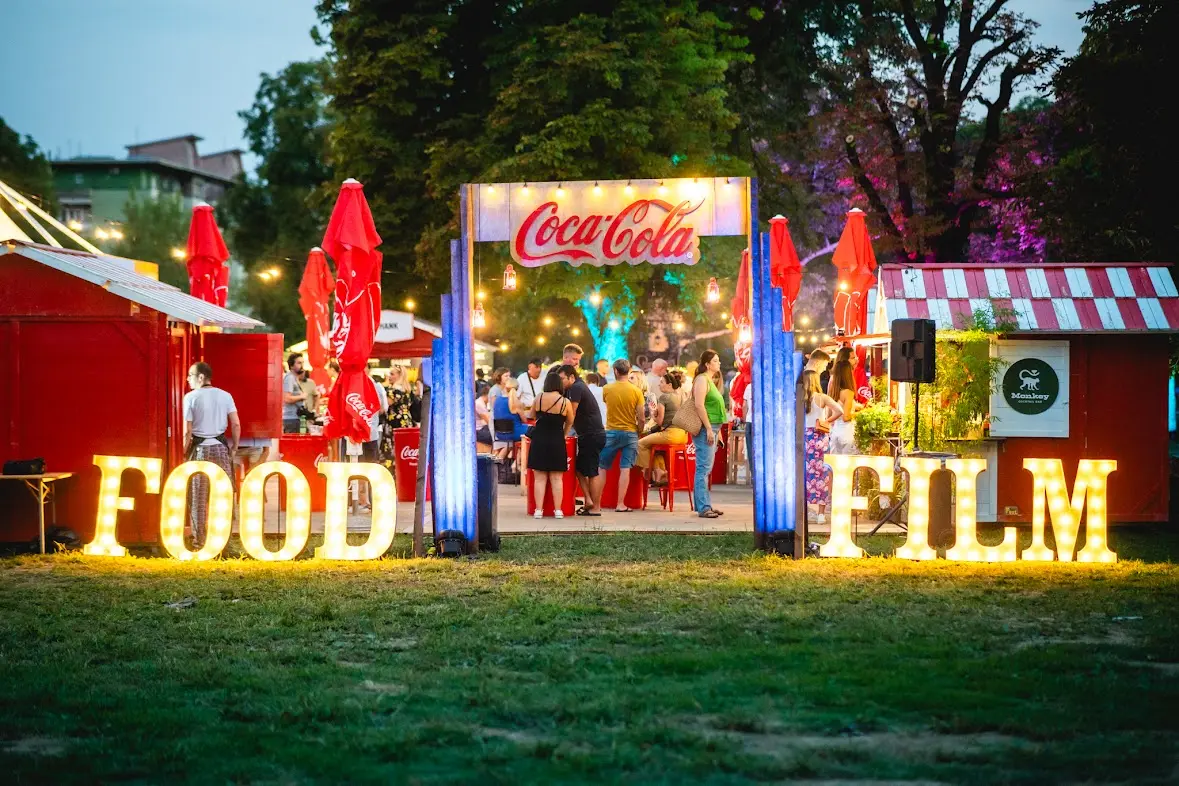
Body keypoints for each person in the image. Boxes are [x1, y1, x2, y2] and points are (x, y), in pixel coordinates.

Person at [183, 362, 240, 548]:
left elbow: (187, 431)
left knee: (198, 498)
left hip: (199, 450)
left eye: (190, 375)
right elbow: (236, 424)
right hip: (221, 449)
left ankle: (199, 541)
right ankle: (222, 541)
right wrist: (234, 448)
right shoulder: (225, 395)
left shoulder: (190, 397)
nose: (188, 379)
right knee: (223, 495)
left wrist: (184, 452)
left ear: (200, 377)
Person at [559, 364, 606, 516]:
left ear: (571, 377)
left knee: (592, 472)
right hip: (589, 434)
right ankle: (589, 500)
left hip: (592, 434)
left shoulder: (576, 387)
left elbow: (571, 413)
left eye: (562, 379)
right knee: (579, 469)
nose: (561, 382)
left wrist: (563, 433)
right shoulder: (576, 387)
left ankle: (595, 507)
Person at [527, 371, 575, 519]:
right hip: (557, 441)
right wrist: (564, 433)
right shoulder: (565, 402)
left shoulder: (539, 398)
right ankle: (558, 510)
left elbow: (530, 416)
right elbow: (570, 421)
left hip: (539, 440)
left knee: (539, 478)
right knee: (557, 478)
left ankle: (538, 510)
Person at [600, 359, 646, 513]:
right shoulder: (636, 391)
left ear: (615, 371)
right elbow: (641, 417)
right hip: (630, 433)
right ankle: (620, 504)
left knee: (602, 467)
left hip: (611, 431)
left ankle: (597, 503)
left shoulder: (607, 389)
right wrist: (639, 431)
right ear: (629, 370)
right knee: (625, 469)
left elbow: (605, 404)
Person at [802, 369, 843, 524]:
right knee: (822, 475)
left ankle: (805, 510)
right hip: (820, 437)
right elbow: (839, 411)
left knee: (804, 474)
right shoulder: (822, 397)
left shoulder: (800, 398)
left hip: (805, 437)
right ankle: (821, 514)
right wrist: (827, 421)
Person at [690, 350, 727, 518]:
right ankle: (703, 507)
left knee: (705, 469)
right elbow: (699, 405)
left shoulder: (709, 380)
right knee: (703, 469)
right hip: (706, 428)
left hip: (713, 428)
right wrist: (709, 429)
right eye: (716, 361)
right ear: (707, 364)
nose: (719, 363)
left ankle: (704, 504)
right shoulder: (702, 379)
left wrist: (717, 433)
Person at [636, 370, 688, 485]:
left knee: (640, 443)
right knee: (653, 445)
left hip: (670, 434)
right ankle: (661, 471)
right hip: (683, 436)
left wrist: (653, 414)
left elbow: (659, 421)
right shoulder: (681, 396)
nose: (659, 385)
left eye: (661, 382)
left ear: (669, 385)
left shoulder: (664, 397)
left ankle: (647, 470)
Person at [492, 376, 528, 465]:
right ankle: (518, 463)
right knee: (533, 432)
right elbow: (525, 420)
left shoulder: (497, 400)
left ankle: (515, 461)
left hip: (499, 433)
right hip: (514, 432)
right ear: (517, 389)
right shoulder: (516, 403)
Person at [828, 360, 861, 455]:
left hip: (835, 433)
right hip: (847, 433)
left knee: (835, 463)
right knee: (849, 463)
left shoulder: (833, 392)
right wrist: (859, 414)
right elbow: (846, 417)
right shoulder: (848, 393)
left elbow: (829, 415)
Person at [282, 353, 306, 433]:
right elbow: (287, 398)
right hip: (290, 418)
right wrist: (302, 396)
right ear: (291, 366)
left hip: (294, 418)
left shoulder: (294, 378)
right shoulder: (290, 378)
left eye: (302, 362)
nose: (302, 365)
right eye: (299, 363)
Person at [385, 364, 415, 429]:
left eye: (392, 374)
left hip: (396, 422)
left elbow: (387, 403)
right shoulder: (408, 390)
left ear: (400, 375)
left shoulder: (393, 390)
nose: (389, 376)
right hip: (407, 421)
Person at [474, 382, 493, 451]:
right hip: (478, 430)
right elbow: (488, 420)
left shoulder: (482, 403)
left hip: (482, 428)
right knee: (498, 436)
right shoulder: (479, 404)